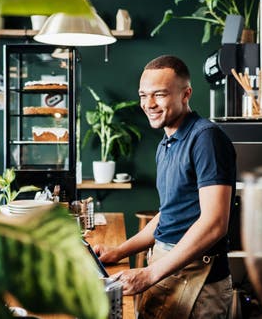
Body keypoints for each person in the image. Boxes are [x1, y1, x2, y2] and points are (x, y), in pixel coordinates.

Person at [94, 55, 236, 318]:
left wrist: (149, 274)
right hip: (166, 267)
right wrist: (119, 251)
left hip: (198, 280)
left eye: (159, 94)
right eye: (143, 95)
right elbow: (169, 214)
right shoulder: (167, 143)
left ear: (186, 94)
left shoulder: (206, 138)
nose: (149, 104)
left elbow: (215, 224)